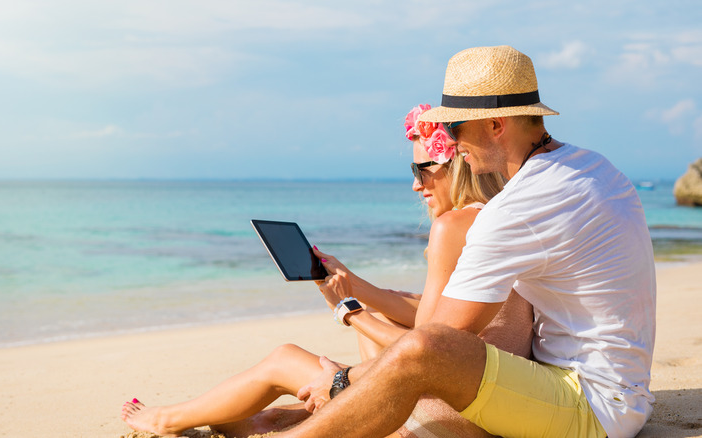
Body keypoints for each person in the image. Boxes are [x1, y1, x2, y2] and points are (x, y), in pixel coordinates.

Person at [272, 45, 656, 438]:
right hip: (623, 393)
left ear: (495, 125)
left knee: (421, 358)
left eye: (455, 128)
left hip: (590, 407)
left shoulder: (517, 207)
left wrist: (342, 378)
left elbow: (432, 343)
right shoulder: (592, 166)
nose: (451, 145)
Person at [120, 104, 534, 437]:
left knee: (284, 359)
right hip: (491, 407)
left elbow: (423, 348)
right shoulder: (499, 220)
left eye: (424, 169)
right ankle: (280, 417)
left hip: (450, 416)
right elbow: (432, 315)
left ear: (458, 166)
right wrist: (352, 285)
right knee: (371, 334)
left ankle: (165, 420)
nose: (416, 184)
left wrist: (347, 309)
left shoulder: (452, 227)